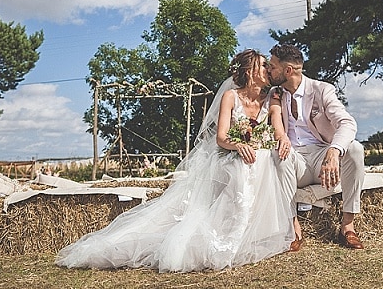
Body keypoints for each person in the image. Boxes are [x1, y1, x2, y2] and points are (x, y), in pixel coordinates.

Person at [56, 49, 296, 272]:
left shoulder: (272, 97)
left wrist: (282, 138)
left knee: (264, 157)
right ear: (249, 71)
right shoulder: (230, 97)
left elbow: (277, 129)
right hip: (228, 156)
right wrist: (239, 144)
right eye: (264, 66)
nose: (268, 70)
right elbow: (221, 138)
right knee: (242, 166)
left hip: (254, 157)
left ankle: (256, 232)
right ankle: (230, 238)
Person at [268, 43, 366, 250]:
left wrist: (333, 151)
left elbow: (347, 123)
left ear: (288, 70)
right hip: (295, 161)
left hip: (322, 155)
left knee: (356, 148)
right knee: (278, 155)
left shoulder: (322, 90)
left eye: (272, 66)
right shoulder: (275, 94)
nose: (269, 70)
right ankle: (293, 227)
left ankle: (348, 226)